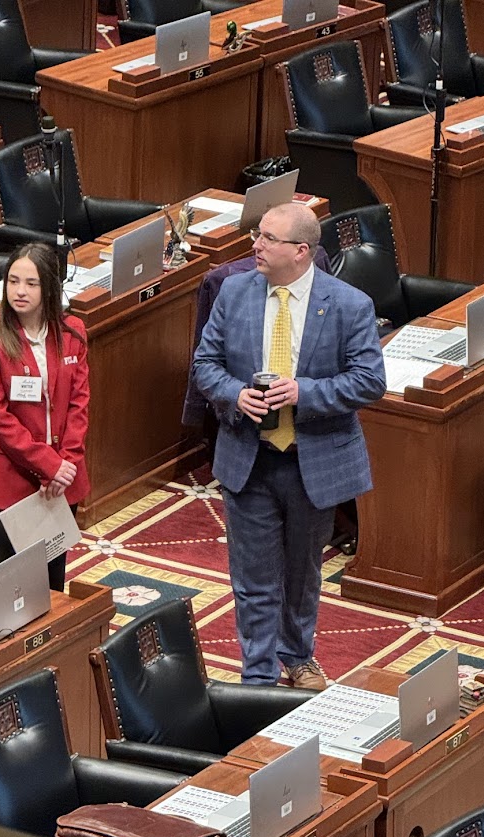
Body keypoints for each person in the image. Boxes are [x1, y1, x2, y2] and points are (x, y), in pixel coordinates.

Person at [192, 204, 386, 688]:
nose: (255, 245)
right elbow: (204, 364)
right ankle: (257, 673)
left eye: (268, 238)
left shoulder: (349, 305)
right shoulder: (233, 292)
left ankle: (298, 657)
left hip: (312, 461)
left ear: (301, 252)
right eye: (258, 235)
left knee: (302, 574)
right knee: (252, 579)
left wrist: (305, 393)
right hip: (248, 458)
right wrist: (234, 393)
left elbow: (369, 381)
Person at [0, 242, 90, 592]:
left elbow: (79, 406)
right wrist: (48, 464)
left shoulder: (73, 333)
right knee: (4, 586)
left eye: (31, 283)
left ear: (49, 287)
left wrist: (65, 465)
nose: (20, 291)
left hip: (60, 480)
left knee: (50, 583)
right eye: (13, 281)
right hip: (9, 476)